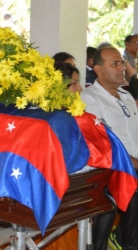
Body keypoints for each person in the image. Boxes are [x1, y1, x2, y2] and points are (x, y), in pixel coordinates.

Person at [81, 46, 138, 250]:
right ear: (97, 69)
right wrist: (133, 163)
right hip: (111, 166)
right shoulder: (90, 99)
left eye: (122, 63)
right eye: (115, 64)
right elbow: (102, 143)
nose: (122, 68)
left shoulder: (127, 96)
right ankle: (127, 242)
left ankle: (123, 236)